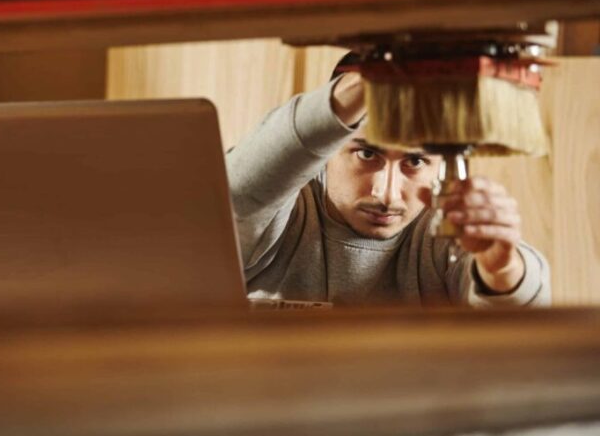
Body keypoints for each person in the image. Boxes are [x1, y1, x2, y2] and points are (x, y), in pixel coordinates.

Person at [227, 62, 550, 307]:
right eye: (366, 154)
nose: (386, 193)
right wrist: (380, 73)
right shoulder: (280, 217)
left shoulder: (443, 235)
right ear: (327, 149)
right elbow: (239, 188)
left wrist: (501, 266)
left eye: (415, 161)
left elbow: (522, 318)